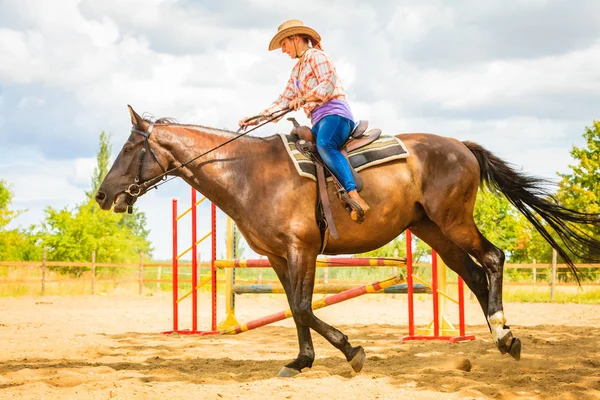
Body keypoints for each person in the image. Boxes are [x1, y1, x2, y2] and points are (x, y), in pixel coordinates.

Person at [239, 19, 370, 220]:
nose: (283, 50)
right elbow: (283, 100)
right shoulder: (296, 71)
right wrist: (256, 119)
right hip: (319, 120)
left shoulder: (317, 56)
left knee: (325, 145)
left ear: (295, 38)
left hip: (335, 115)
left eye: (283, 44)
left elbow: (328, 82)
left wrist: (304, 98)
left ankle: (354, 194)